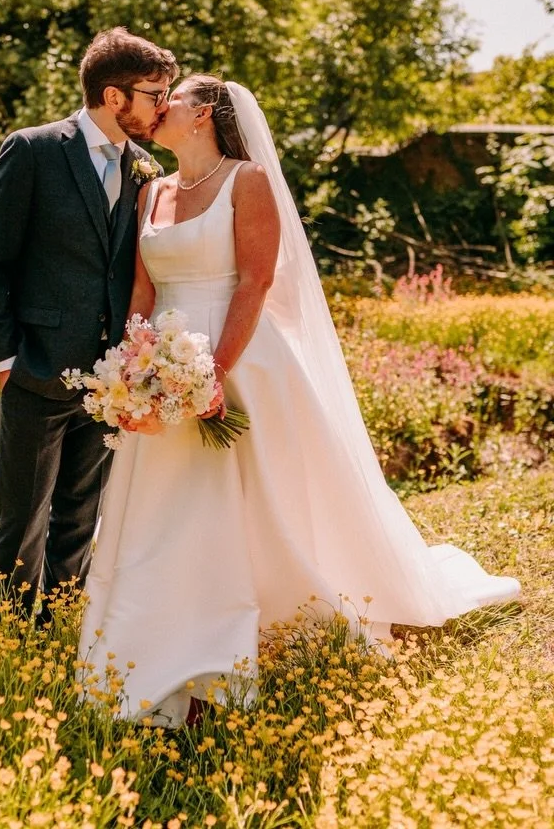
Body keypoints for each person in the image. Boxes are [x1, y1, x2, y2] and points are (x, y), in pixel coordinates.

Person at [80, 74, 520, 724]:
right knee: (168, 505)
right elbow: (143, 292)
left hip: (240, 358)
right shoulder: (152, 192)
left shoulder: (247, 181)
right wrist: (133, 369)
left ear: (202, 116)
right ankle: (165, 630)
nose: (157, 106)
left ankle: (259, 620)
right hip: (163, 364)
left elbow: (255, 283)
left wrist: (211, 375)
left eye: (169, 99)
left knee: (258, 503)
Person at [0, 28, 177, 625]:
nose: (163, 106)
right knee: (23, 518)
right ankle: (5, 640)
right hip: (34, 369)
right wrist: (3, 361)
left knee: (82, 515)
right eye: (154, 93)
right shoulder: (32, 150)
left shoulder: (144, 168)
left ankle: (59, 630)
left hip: (108, 379)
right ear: (115, 97)